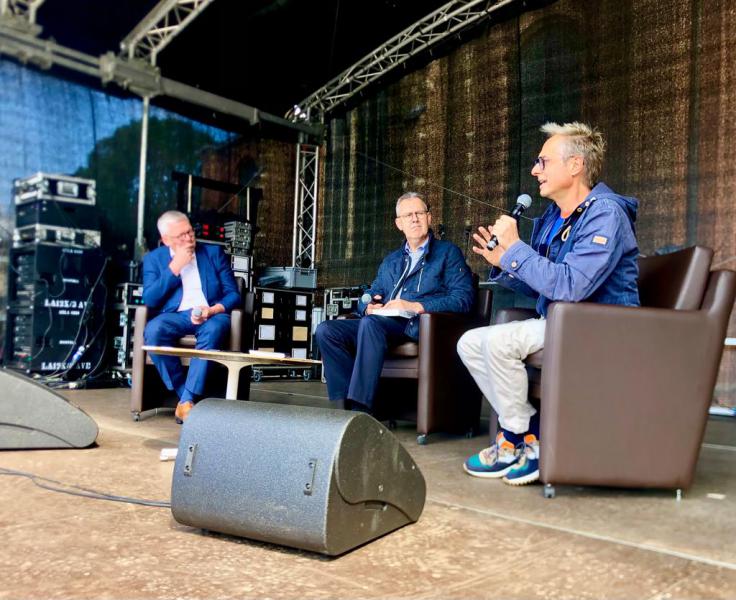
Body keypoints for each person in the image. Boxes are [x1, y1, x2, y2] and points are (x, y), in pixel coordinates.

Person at [458, 122, 639, 485]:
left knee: (497, 341)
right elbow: (545, 287)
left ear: (575, 166)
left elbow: (572, 287)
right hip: (560, 321)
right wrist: (504, 263)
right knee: (471, 342)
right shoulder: (552, 220)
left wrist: (517, 251)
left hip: (599, 326)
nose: (534, 170)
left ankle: (517, 441)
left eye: (543, 161)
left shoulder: (605, 213)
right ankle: (526, 434)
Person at [316, 191, 475, 413]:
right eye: (408, 215)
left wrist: (413, 306)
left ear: (429, 217)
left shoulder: (448, 253)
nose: (414, 219)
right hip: (383, 323)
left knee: (370, 325)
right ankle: (342, 409)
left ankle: (360, 411)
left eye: (419, 213)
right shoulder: (391, 260)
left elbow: (463, 299)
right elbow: (372, 292)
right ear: (399, 223)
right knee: (326, 330)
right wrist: (367, 306)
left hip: (417, 325)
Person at [142, 210, 241, 423]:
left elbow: (233, 293)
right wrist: (175, 267)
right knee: (153, 330)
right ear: (166, 240)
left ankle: (186, 400)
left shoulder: (213, 253)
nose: (189, 238)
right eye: (181, 235)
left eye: (190, 232)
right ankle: (185, 398)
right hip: (175, 316)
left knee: (215, 329)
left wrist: (212, 310)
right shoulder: (154, 259)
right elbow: (149, 299)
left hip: (210, 314)